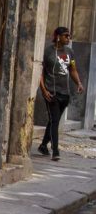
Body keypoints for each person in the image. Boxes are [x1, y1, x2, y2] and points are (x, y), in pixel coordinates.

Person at [38, 26, 84, 161]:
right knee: (55, 121)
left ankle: (42, 145)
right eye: (66, 36)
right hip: (51, 93)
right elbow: (40, 72)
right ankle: (55, 151)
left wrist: (79, 83)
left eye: (69, 36)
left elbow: (73, 70)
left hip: (65, 93)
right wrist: (44, 90)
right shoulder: (48, 52)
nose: (68, 38)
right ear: (58, 37)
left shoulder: (70, 52)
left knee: (53, 120)